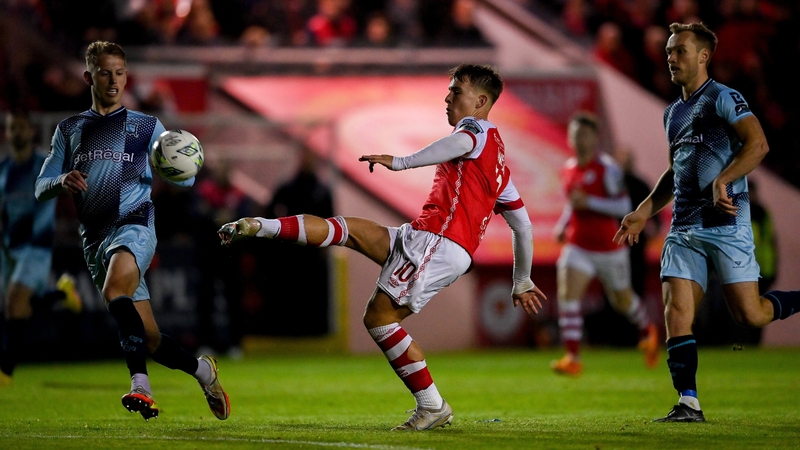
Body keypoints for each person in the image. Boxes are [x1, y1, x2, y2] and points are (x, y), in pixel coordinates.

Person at [219, 63, 546, 431]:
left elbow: (461, 142)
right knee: (347, 230)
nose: (447, 97)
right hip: (424, 236)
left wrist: (401, 162)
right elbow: (522, 224)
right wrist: (521, 279)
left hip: (438, 242)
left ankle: (432, 406)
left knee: (379, 318)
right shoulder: (498, 165)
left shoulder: (475, 131)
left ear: (481, 101)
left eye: (456, 91)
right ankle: (258, 225)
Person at [34, 41, 229, 421]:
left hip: (135, 226)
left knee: (114, 290)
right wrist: (61, 180)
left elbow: (184, 179)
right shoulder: (70, 129)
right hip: (94, 240)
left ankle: (141, 386)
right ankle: (204, 372)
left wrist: (180, 166)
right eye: (105, 73)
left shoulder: (147, 126)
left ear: (127, 77)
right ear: (89, 77)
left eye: (120, 73)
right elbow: (41, 187)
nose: (113, 81)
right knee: (150, 338)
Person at [614, 22, 800, 423]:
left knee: (750, 315)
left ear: (703, 56)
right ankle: (688, 402)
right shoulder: (672, 113)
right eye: (668, 51)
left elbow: (758, 144)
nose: (671, 57)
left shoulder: (723, 97)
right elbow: (675, 171)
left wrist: (724, 179)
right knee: (676, 312)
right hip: (684, 228)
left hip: (727, 224)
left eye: (679, 50)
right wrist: (644, 210)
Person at [551, 112, 659, 376]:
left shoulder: (608, 168)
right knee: (567, 295)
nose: (579, 139)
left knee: (622, 300)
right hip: (578, 245)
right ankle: (573, 357)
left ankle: (648, 330)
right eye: (575, 134)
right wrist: (564, 224)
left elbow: (623, 206)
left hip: (609, 248)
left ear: (595, 138)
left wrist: (590, 202)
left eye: (584, 134)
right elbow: (573, 203)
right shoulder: (568, 168)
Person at [0, 109, 83, 386]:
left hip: (37, 246)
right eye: (12, 128)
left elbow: (65, 185)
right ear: (7, 132)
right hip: (9, 246)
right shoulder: (4, 170)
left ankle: (5, 372)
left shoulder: (44, 165)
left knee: (15, 302)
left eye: (22, 127)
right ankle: (60, 294)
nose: (17, 133)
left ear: (31, 131)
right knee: (20, 305)